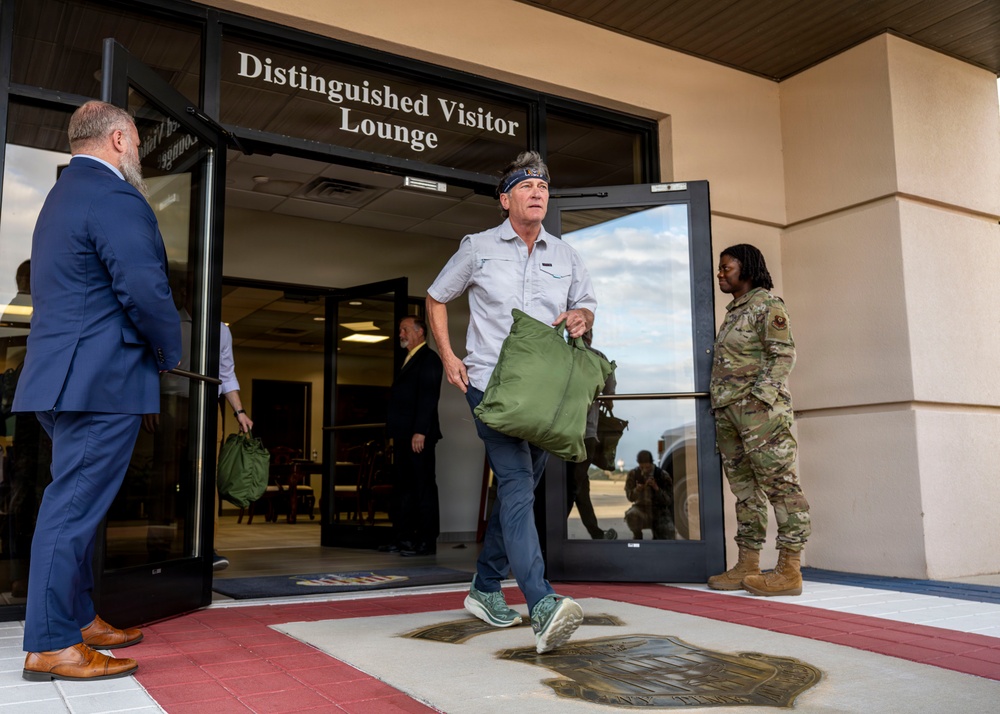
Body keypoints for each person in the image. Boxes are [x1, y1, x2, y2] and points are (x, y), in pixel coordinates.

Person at [12, 100, 182, 681]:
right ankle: (53, 643)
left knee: (78, 506)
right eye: (136, 143)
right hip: (100, 381)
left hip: (67, 379)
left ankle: (78, 619)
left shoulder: (64, 195)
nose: (138, 154)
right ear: (119, 138)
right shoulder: (112, 194)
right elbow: (144, 286)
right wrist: (169, 350)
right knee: (71, 510)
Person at [426, 150, 596, 654]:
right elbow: (437, 297)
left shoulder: (566, 255)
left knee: (515, 497)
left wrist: (582, 316)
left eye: (543, 186)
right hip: (490, 386)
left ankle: (483, 588)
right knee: (518, 482)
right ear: (506, 199)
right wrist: (446, 355)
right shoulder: (477, 248)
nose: (538, 192)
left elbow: (585, 304)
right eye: (527, 186)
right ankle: (541, 603)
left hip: (545, 395)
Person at [707, 243, 810, 597]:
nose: (720, 273)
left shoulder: (768, 305)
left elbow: (783, 355)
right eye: (720, 268)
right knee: (745, 491)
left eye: (726, 267)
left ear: (747, 269)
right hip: (729, 413)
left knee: (781, 486)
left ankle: (789, 569)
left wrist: (759, 399)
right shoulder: (734, 311)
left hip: (760, 414)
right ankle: (748, 563)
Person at [385, 316, 443, 556]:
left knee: (423, 487)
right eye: (400, 330)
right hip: (403, 436)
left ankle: (426, 541)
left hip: (419, 436)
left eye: (405, 329)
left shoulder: (429, 359)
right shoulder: (407, 358)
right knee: (404, 488)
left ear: (420, 332)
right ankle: (404, 538)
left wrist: (420, 431)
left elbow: (428, 397)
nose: (401, 333)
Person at [566, 330, 617, 540]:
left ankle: (594, 533)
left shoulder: (560, 354)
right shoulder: (599, 358)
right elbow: (610, 394)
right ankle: (551, 536)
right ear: (591, 336)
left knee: (578, 484)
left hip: (558, 433)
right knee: (574, 485)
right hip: (586, 434)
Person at [215, 321, 253, 570]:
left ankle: (206, 546)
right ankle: (161, 546)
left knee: (208, 479)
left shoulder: (221, 330)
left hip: (209, 403)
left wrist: (239, 411)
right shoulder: (169, 319)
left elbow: (226, 373)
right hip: (170, 400)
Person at [623, 450, 674, 539]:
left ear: (651, 463)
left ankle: (658, 535)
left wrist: (656, 488)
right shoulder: (633, 474)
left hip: (659, 511)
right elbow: (630, 497)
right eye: (642, 467)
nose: (644, 470)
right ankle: (637, 535)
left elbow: (668, 500)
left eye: (647, 467)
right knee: (631, 515)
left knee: (668, 533)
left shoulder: (662, 475)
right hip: (641, 509)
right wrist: (637, 490)